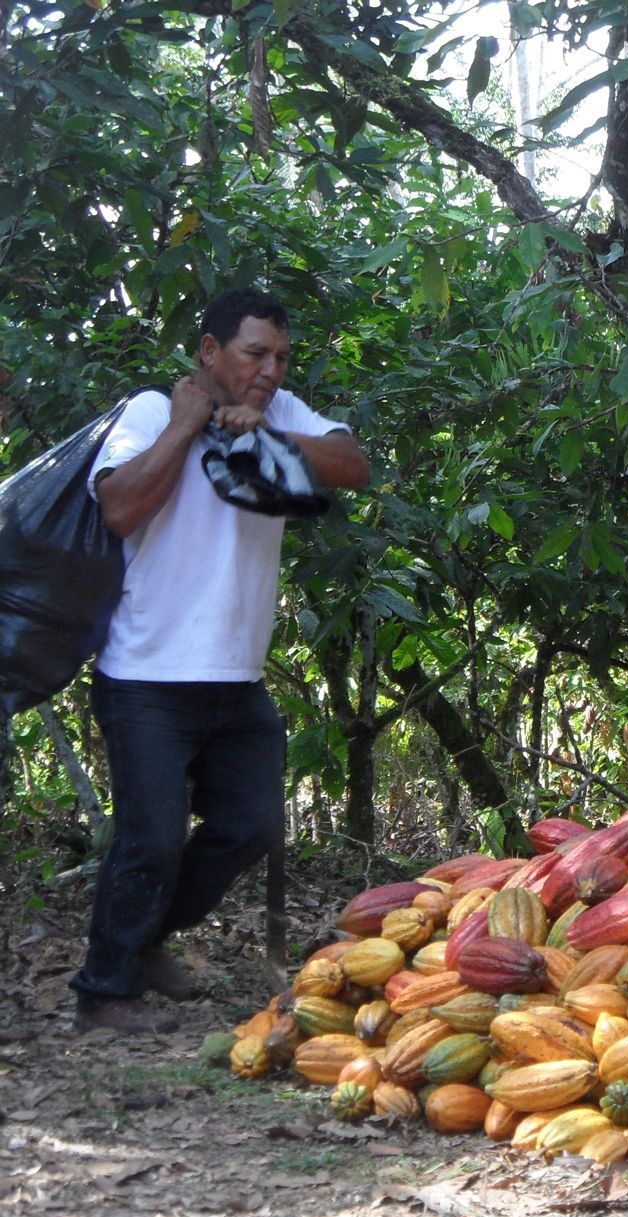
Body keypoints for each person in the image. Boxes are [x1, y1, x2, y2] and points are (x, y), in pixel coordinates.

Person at [70, 287, 371, 1033]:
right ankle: (103, 991)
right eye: (254, 353)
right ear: (209, 350)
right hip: (145, 675)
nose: (270, 368)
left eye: (279, 356)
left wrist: (269, 431)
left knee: (251, 823)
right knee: (149, 837)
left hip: (236, 678)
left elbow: (352, 466)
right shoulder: (147, 412)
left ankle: (142, 941)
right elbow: (120, 508)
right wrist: (187, 423)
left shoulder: (283, 407)